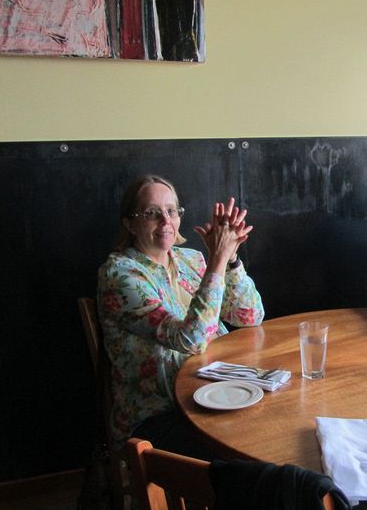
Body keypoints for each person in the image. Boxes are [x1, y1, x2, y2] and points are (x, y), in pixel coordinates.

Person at [97, 175, 264, 457]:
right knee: (249, 457)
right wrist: (218, 261)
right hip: (160, 414)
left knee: (275, 430)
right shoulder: (120, 275)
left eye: (171, 211)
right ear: (130, 223)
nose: (165, 221)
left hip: (218, 393)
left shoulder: (192, 260)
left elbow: (250, 316)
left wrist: (231, 258)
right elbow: (190, 339)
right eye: (151, 213)